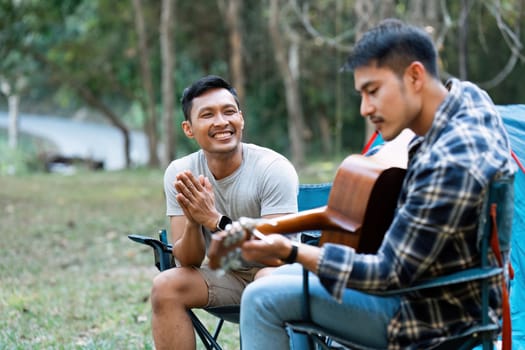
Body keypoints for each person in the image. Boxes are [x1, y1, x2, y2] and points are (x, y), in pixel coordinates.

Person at [238, 19, 515, 349]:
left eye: (373, 91)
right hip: (448, 294)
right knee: (279, 281)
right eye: (361, 94)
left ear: (415, 77)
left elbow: (387, 274)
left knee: (260, 297)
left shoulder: (450, 162)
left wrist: (292, 250)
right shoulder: (470, 100)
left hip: (429, 318)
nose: (365, 109)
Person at [150, 75, 299, 350]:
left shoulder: (273, 168)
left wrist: (214, 221)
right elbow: (187, 261)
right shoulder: (181, 173)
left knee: (264, 282)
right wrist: (195, 223)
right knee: (165, 285)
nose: (221, 122)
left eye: (229, 112)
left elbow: (278, 256)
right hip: (227, 276)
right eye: (207, 115)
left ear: (241, 119)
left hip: (277, 274)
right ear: (189, 129)